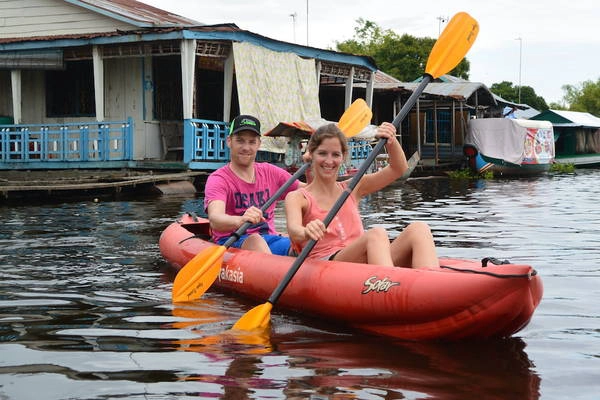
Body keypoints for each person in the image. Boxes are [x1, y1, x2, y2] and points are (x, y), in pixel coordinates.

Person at [285, 122, 439, 268]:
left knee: (419, 229)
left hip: (363, 259)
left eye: (335, 154)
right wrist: (306, 231)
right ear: (311, 154)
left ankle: (431, 287)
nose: (329, 161)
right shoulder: (298, 197)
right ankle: (388, 289)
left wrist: (391, 141)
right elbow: (294, 231)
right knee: (376, 234)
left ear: (343, 157)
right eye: (322, 153)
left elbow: (398, 169)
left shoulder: (353, 187)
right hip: (327, 264)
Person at [204, 114, 303, 256]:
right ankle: (275, 274)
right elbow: (215, 219)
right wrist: (242, 219)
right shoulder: (218, 179)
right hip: (232, 241)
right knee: (255, 240)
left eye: (251, 142)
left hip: (270, 239)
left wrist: (315, 168)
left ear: (258, 144)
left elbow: (308, 191)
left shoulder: (271, 172)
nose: (246, 147)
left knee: (302, 244)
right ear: (229, 141)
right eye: (240, 141)